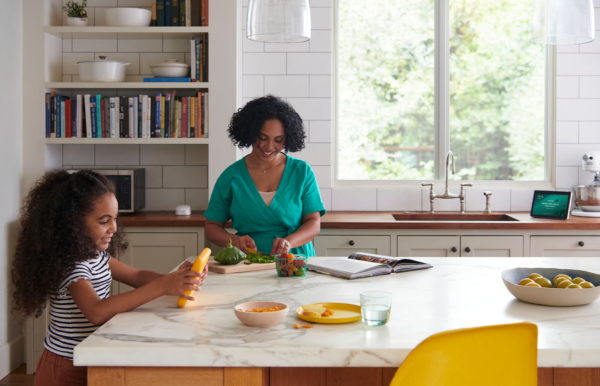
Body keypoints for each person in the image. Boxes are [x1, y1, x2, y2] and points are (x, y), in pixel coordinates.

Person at [11, 170, 205, 386]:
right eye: (104, 221)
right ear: (72, 223)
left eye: (114, 219)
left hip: (91, 356)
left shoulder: (96, 255)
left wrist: (178, 278)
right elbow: (97, 312)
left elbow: (136, 275)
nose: (113, 228)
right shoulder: (71, 265)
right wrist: (162, 286)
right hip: (66, 366)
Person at [204, 95, 326, 257]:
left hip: (294, 260)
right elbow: (211, 227)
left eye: (278, 140)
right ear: (249, 133)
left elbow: (313, 222)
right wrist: (235, 240)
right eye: (262, 138)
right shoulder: (231, 176)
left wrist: (289, 241)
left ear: (287, 139)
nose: (269, 146)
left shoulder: (302, 172)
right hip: (248, 261)